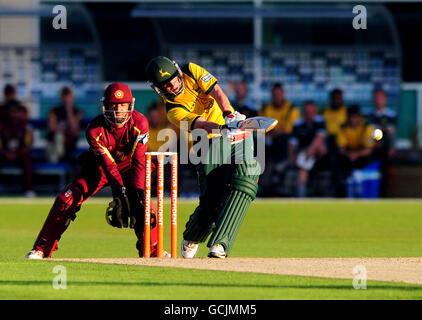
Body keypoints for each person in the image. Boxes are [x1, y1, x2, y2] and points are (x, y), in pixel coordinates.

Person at [25, 83, 162, 259]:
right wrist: (119, 193)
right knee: (66, 198)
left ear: (130, 105)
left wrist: (138, 195)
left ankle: (152, 250)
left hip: (131, 167)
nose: (118, 110)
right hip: (99, 168)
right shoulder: (94, 129)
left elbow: (139, 161)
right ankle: (42, 248)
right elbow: (109, 165)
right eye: (113, 104)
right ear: (105, 105)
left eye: (122, 105)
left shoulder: (140, 123)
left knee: (144, 205)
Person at [146, 56, 262, 259]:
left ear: (177, 71)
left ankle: (220, 244)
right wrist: (222, 128)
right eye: (165, 85)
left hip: (234, 129)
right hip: (207, 142)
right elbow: (199, 123)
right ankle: (193, 235)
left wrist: (230, 116)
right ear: (158, 89)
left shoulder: (191, 70)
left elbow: (216, 91)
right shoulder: (173, 110)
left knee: (246, 178)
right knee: (212, 202)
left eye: (173, 78)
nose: (172, 85)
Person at [0, 84, 35, 197]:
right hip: (4, 152)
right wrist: (5, 153)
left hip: (20, 153)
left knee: (27, 160)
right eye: (11, 111)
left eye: (16, 111)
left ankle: (28, 189)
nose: (14, 114)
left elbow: (28, 143)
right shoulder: (2, 124)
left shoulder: (25, 126)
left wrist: (17, 153)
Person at [288, 101, 327, 197]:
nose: (309, 113)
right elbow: (292, 143)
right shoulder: (298, 124)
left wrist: (309, 151)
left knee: (319, 146)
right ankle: (301, 194)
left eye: (311, 111)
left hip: (319, 156)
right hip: (303, 156)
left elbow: (320, 138)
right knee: (303, 169)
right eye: (307, 111)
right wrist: (291, 158)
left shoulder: (320, 121)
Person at [335, 105, 375, 196]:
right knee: (338, 161)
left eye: (355, 117)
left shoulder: (367, 127)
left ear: (360, 117)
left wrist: (357, 154)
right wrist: (350, 154)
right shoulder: (343, 127)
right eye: (351, 117)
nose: (353, 120)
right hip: (348, 156)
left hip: (362, 157)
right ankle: (341, 192)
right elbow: (341, 149)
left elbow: (369, 149)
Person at [365, 88, 397, 197]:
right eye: (376, 98)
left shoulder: (391, 115)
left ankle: (383, 196)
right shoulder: (368, 115)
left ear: (385, 99)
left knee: (385, 173)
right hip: (370, 150)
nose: (378, 100)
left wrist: (379, 136)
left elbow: (390, 131)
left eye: (380, 98)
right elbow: (367, 132)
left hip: (385, 151)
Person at [46, 87, 83, 163]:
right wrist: (64, 130)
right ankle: (58, 158)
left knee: (59, 137)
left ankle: (59, 157)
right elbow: (51, 127)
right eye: (64, 96)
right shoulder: (54, 111)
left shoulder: (77, 112)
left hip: (69, 142)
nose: (66, 98)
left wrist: (68, 110)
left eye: (68, 96)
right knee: (57, 138)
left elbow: (74, 128)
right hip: (55, 142)